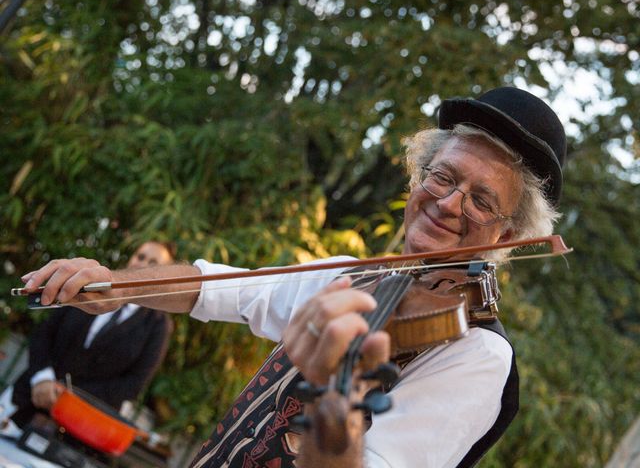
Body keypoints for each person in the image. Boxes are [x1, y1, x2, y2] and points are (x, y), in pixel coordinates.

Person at [17, 87, 566, 467]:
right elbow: (236, 288)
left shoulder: (478, 355)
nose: (447, 204)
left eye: (481, 200)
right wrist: (118, 286)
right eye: (442, 176)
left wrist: (334, 397)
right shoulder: (362, 278)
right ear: (417, 179)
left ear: (506, 237)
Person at [6, 241, 175, 430]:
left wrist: (68, 395)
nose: (142, 264)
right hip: (28, 395)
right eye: (140, 256)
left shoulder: (158, 324)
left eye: (153, 263)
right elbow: (44, 333)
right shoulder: (90, 288)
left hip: (78, 423)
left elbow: (133, 383)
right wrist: (42, 377)